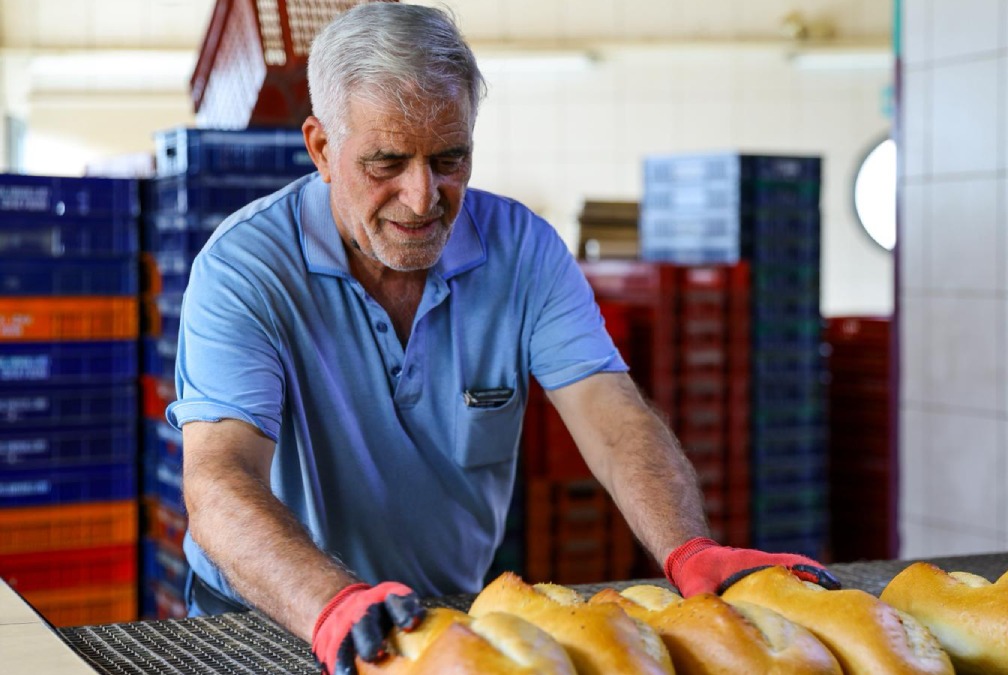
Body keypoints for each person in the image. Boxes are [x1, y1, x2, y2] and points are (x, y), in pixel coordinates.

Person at [167, 3, 840, 674]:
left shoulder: (523, 252)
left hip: (439, 617)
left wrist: (688, 548)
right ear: (320, 148)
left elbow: (611, 415)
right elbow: (219, 476)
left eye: (449, 158)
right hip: (270, 615)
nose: (423, 195)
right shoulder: (246, 269)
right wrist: (331, 603)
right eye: (387, 163)